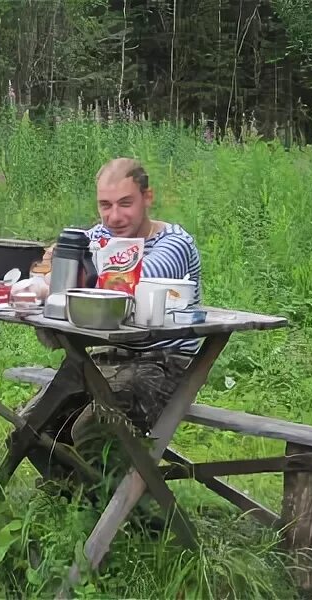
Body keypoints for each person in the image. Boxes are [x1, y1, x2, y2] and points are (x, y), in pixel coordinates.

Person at [71, 157, 203, 464]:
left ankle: (138, 510)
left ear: (148, 197)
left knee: (93, 432)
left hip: (163, 363)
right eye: (105, 205)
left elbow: (128, 283)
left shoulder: (173, 244)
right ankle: (72, 495)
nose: (114, 216)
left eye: (125, 203)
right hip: (106, 358)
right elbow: (56, 259)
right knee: (36, 422)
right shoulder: (103, 236)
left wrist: (74, 269)